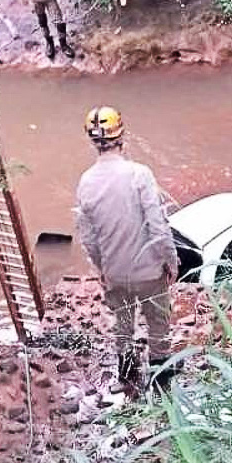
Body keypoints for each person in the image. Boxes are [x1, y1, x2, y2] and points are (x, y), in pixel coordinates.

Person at [73, 106, 180, 395]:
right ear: (122, 135)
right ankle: (161, 382)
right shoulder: (139, 174)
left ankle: (127, 376)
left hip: (115, 273)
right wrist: (170, 260)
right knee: (158, 324)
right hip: (148, 270)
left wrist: (101, 270)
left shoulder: (85, 183)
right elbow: (158, 226)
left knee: (122, 322)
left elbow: (90, 239)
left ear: (92, 141)